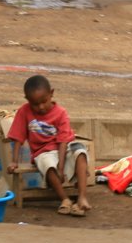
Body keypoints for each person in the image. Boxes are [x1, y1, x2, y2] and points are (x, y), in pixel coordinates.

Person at [6, 75, 91, 216]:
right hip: (43, 151)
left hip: (64, 148)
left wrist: (61, 168)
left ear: (51, 94)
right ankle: (65, 199)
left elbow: (63, 141)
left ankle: (82, 197)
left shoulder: (61, 113)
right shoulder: (24, 112)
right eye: (35, 104)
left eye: (44, 101)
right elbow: (17, 138)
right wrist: (14, 161)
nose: (40, 107)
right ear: (27, 100)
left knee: (80, 152)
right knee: (48, 165)